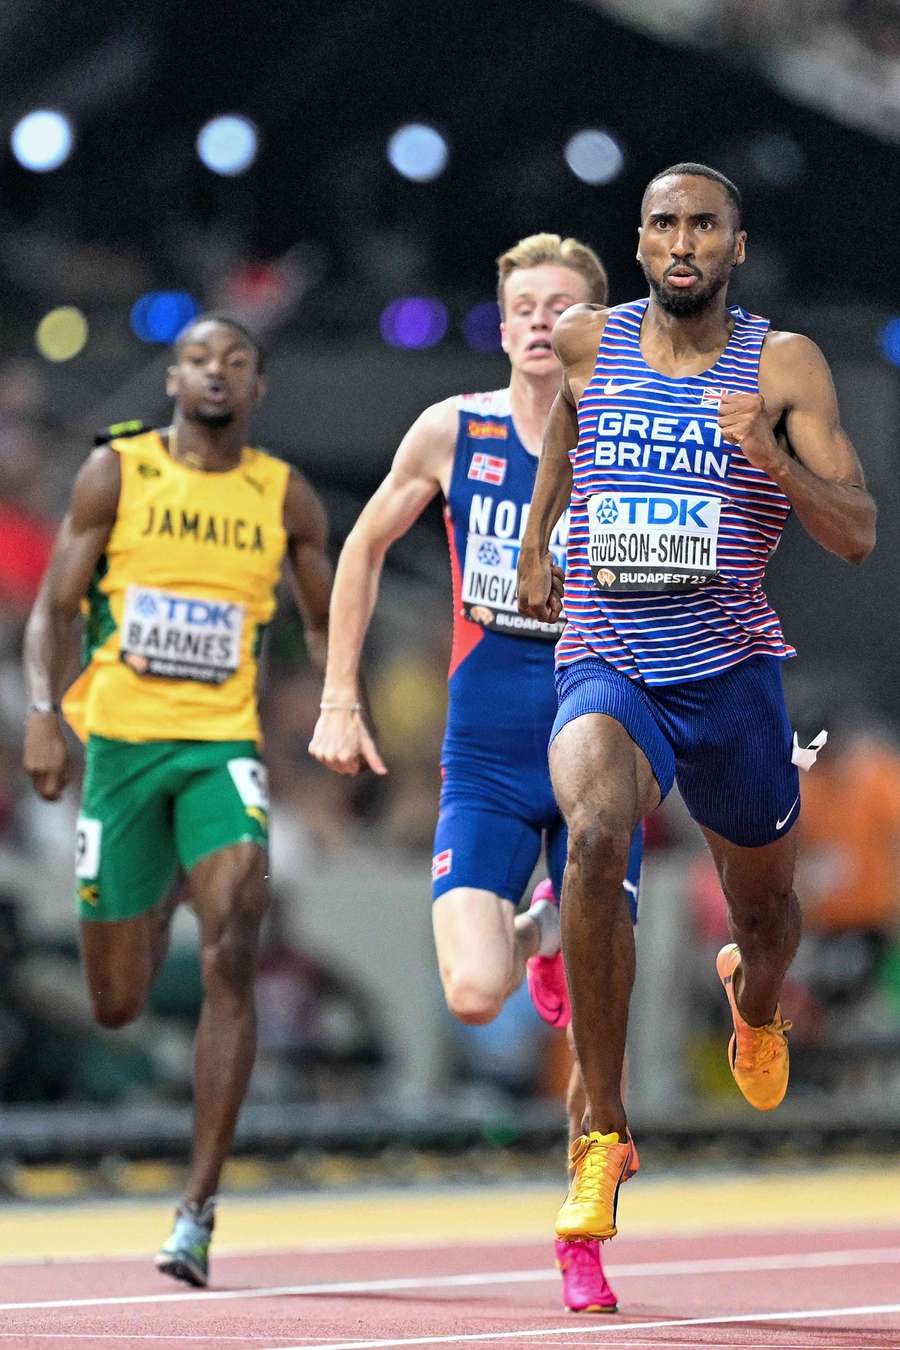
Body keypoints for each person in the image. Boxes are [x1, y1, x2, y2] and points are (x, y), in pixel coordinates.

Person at [518, 162, 876, 1244]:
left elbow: (856, 529)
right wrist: (539, 539)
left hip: (728, 679)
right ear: (639, 242)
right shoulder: (589, 342)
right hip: (606, 659)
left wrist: (767, 452)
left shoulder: (783, 364)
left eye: (704, 226)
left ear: (737, 245)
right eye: (665, 223)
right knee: (591, 836)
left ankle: (755, 1003)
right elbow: (565, 442)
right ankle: (601, 1132)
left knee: (766, 922)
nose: (684, 241)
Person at [309, 234, 641, 1314]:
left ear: (596, 323)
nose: (542, 321)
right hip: (489, 753)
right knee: (475, 987)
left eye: (563, 306)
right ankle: (541, 926)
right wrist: (340, 696)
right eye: (524, 306)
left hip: (601, 745)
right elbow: (358, 549)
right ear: (501, 326)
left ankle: (581, 1237)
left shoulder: (629, 438)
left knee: (598, 1028)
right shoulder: (453, 431)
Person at [22, 315, 333, 1287]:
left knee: (236, 932)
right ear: (172, 375)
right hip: (119, 750)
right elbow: (55, 607)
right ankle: (151, 894)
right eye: (199, 359)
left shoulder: (284, 497)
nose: (215, 374)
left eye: (236, 362)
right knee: (116, 1002)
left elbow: (331, 623)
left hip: (220, 748)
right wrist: (44, 713)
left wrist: (344, 707)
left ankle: (197, 1207)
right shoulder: (118, 472)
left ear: (258, 388)